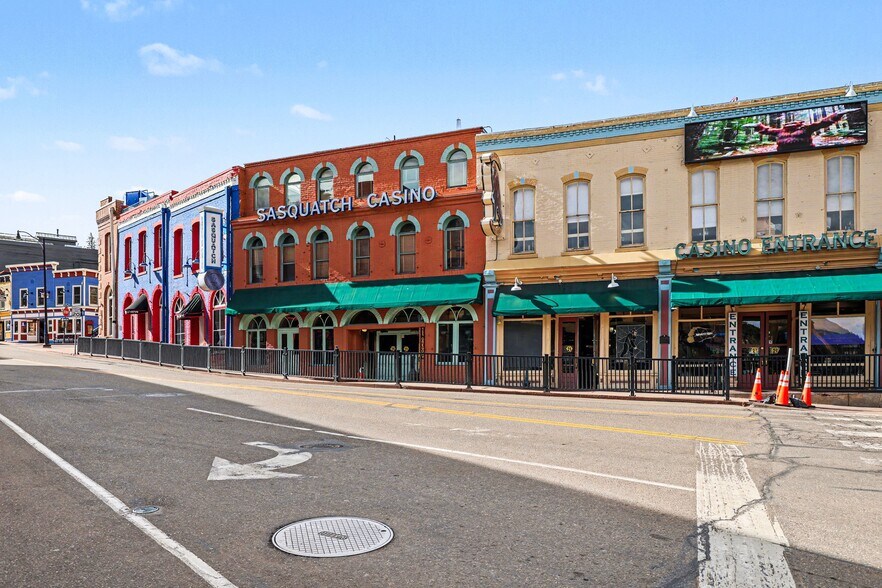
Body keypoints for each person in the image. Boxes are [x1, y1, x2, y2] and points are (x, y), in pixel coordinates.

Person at [752, 110, 849, 152]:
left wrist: (837, 115)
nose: (791, 124)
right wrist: (757, 126)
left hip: (806, 150)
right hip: (784, 152)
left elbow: (823, 123)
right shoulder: (780, 131)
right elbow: (767, 130)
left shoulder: (806, 128)